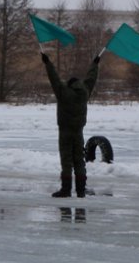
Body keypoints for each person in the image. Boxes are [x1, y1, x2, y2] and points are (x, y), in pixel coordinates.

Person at [42, 53, 100, 198]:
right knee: (79, 161)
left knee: (66, 161)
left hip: (65, 132)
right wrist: (95, 64)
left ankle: (66, 190)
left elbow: (54, 78)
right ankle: (81, 190)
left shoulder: (63, 92)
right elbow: (91, 78)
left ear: (69, 84)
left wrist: (47, 63)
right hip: (78, 132)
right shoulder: (85, 92)